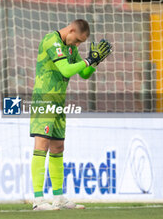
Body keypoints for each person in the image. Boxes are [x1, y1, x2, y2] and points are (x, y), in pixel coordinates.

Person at [30, 19, 112, 211]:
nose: (77, 45)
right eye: (77, 40)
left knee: (58, 146)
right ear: (71, 29)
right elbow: (66, 69)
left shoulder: (70, 48)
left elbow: (83, 74)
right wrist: (88, 60)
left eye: (81, 44)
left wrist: (94, 62)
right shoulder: (52, 41)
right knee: (42, 144)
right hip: (44, 100)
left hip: (58, 102)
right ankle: (38, 200)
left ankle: (58, 198)